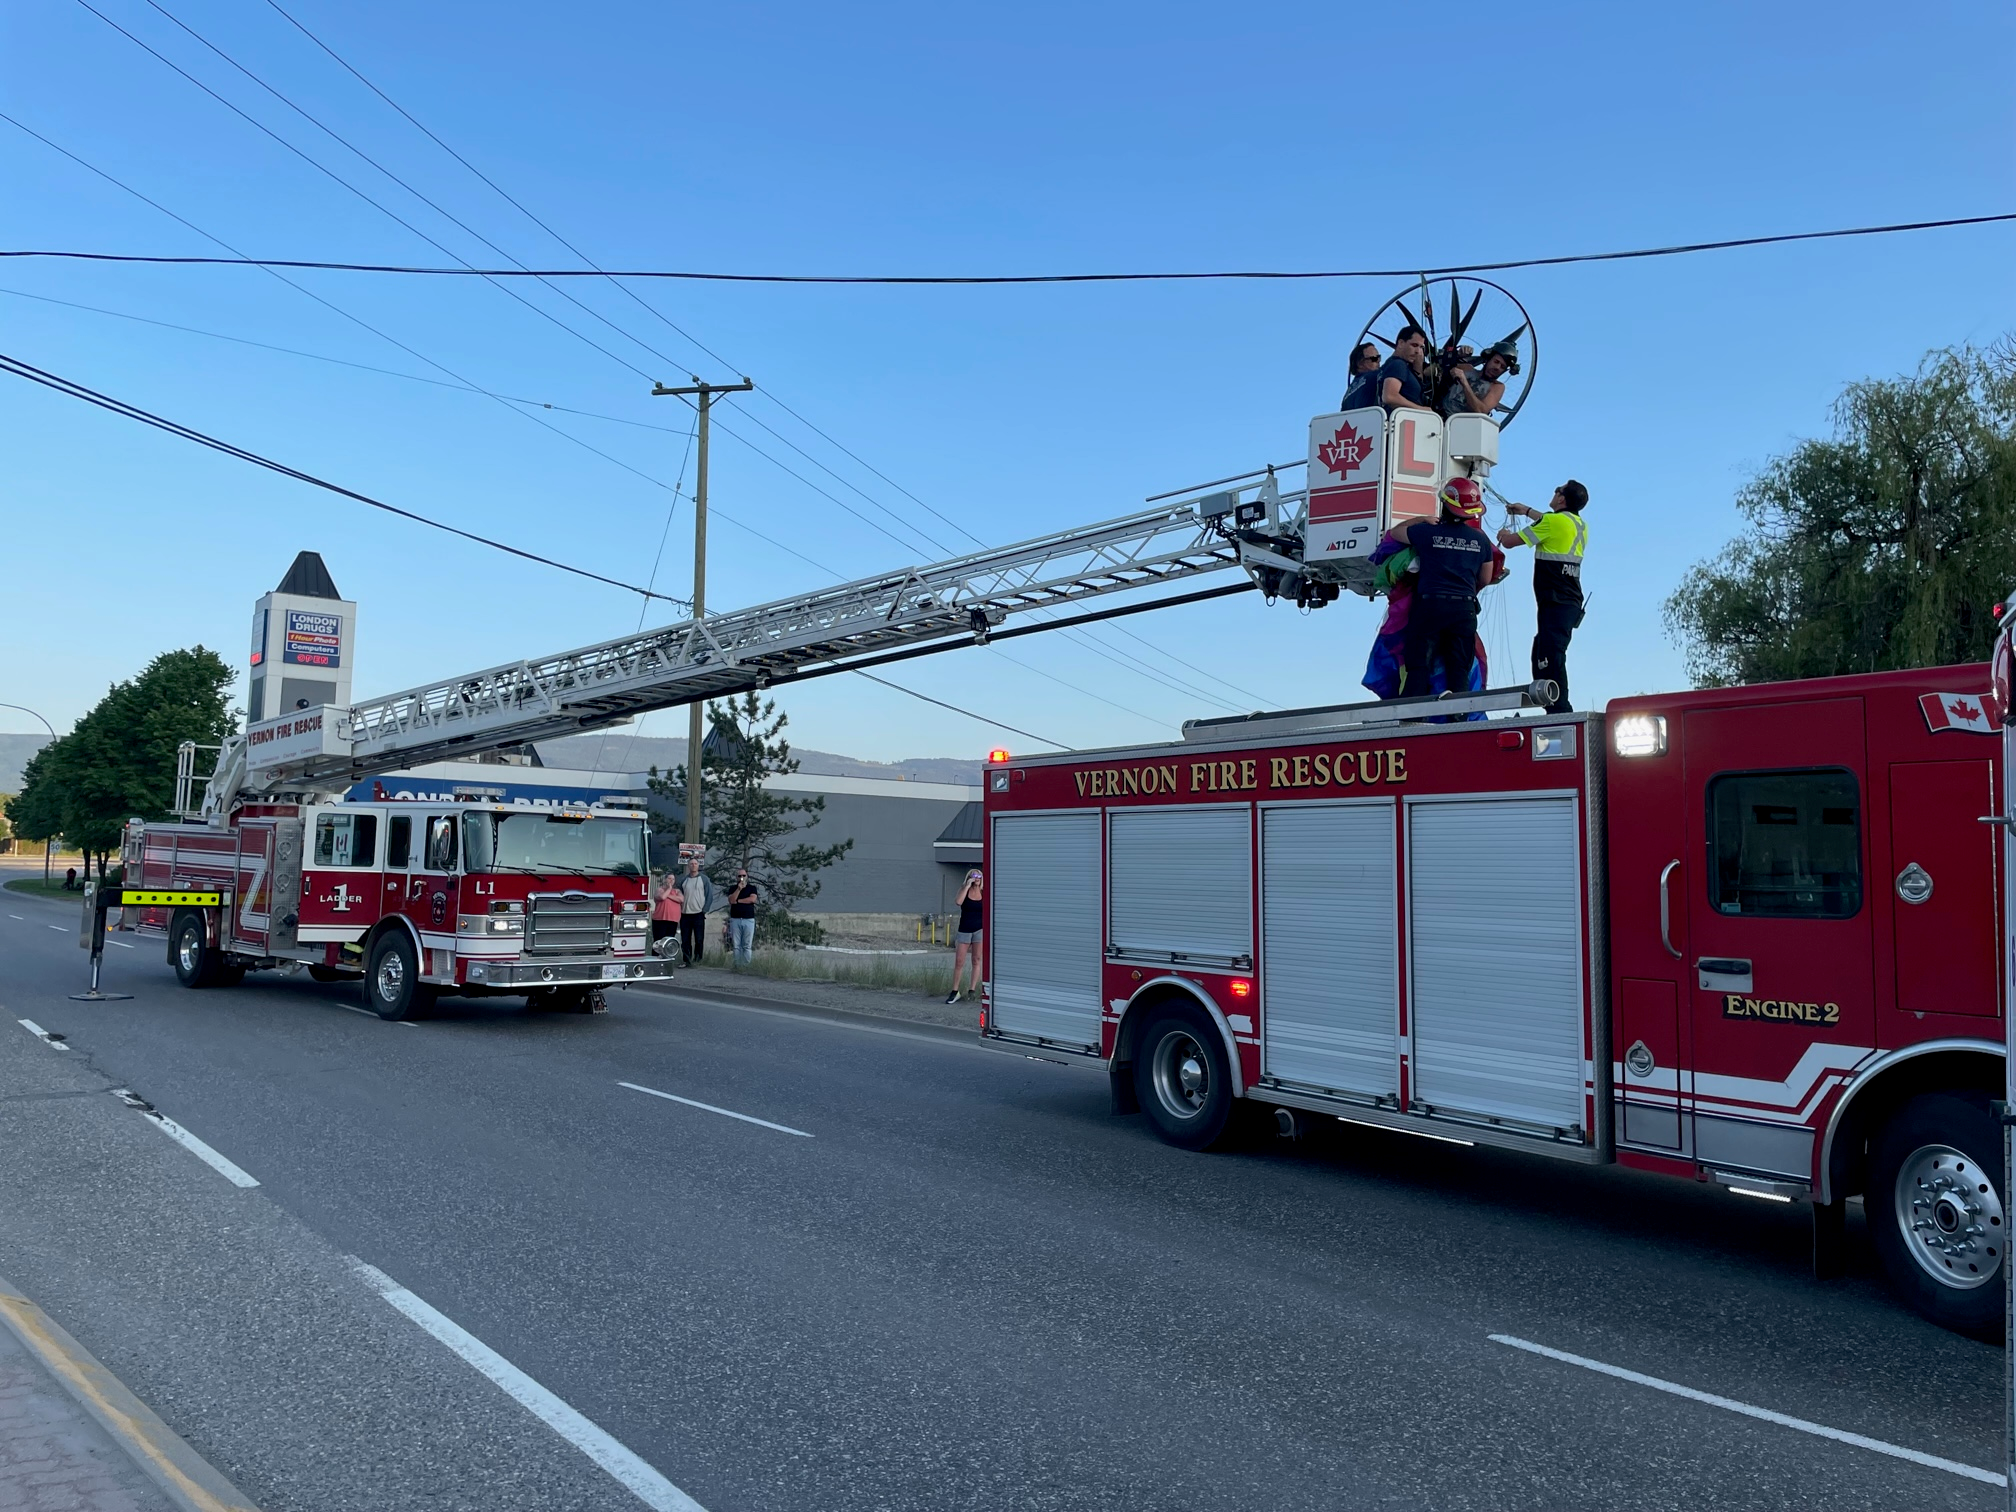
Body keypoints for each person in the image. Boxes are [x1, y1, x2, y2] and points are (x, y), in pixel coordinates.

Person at [1390, 477, 1499, 700]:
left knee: (1419, 666)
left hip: (1430, 606)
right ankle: (1457, 722)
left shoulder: (1425, 532)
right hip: (1463, 609)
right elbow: (1486, 578)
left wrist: (1422, 519)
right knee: (1459, 670)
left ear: (1444, 504)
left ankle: (1413, 721)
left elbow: (1395, 533)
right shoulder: (1481, 540)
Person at [1498, 479, 1590, 713]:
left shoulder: (1552, 522)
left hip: (1554, 600)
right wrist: (1525, 510)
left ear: (1561, 499)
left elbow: (1509, 543)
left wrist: (1503, 533)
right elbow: (1548, 521)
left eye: (1557, 490)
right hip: (1568, 600)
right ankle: (1553, 703)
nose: (1554, 492)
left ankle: (1559, 708)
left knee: (1550, 655)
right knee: (1545, 648)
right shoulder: (1578, 524)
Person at [1441, 339, 1514, 418]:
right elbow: (1440, 365)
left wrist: (1465, 383)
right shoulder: (1467, 368)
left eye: (1502, 367)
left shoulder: (1497, 387)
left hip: (1458, 424)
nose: (1497, 367)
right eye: (1496, 362)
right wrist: (1458, 354)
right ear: (1488, 359)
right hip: (1438, 413)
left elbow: (1481, 411)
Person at [946, 870, 984, 1005]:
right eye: (974, 876)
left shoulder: (984, 892)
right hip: (964, 929)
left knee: (976, 960)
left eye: (979, 876)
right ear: (969, 878)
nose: (977, 878)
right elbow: (958, 902)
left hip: (979, 930)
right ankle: (955, 991)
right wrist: (967, 886)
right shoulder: (964, 890)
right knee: (959, 961)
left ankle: (972, 990)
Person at [1378, 325, 1435, 413]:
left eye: (1421, 347)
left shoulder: (1388, 365)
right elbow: (1389, 396)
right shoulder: (1398, 364)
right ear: (1401, 343)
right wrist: (1422, 410)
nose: (1418, 351)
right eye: (1414, 345)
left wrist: (1418, 366)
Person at [677, 856, 717, 966]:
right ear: (688, 866)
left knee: (699, 939)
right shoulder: (684, 880)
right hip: (685, 914)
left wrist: (704, 910)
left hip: (698, 913)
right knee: (685, 939)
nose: (693, 865)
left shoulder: (704, 879)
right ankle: (687, 960)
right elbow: (679, 895)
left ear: (698, 866)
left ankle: (698, 960)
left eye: (695, 863)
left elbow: (709, 895)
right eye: (691, 864)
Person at [726, 869, 759, 966]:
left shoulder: (752, 888)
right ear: (736, 877)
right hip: (735, 919)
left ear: (747, 876)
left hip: (748, 919)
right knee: (736, 945)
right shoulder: (732, 888)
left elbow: (752, 899)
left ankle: (746, 965)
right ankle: (737, 965)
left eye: (744, 875)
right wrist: (739, 889)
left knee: (747, 945)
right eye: (740, 876)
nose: (742, 878)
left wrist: (739, 901)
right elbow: (732, 900)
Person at [1340, 341, 1383, 410]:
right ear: (1360, 363)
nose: (1378, 361)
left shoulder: (1348, 393)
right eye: (1374, 358)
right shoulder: (1373, 376)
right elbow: (1391, 366)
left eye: (1379, 357)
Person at [649, 868, 682, 957]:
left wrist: (669, 895)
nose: (671, 880)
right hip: (660, 919)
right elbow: (662, 897)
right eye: (669, 878)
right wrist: (669, 889)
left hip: (672, 920)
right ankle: (655, 958)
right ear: (665, 879)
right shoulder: (660, 889)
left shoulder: (677, 891)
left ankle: (667, 958)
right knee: (658, 940)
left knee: (669, 941)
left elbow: (681, 899)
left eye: (673, 879)